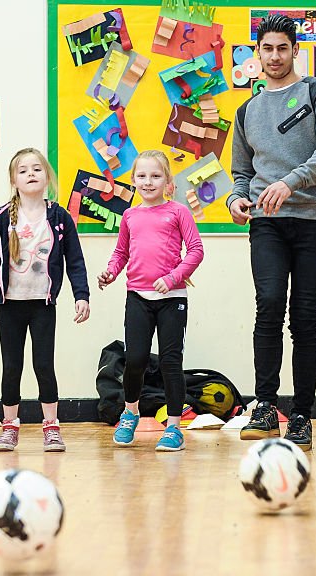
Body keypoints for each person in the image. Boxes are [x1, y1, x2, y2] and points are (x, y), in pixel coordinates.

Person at [227, 13, 316, 451]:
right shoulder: (246, 111)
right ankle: (264, 405)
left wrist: (289, 182)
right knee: (269, 305)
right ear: (256, 54)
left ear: (295, 50)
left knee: (305, 319)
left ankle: (301, 415)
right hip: (267, 224)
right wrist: (237, 200)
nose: (274, 56)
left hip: (314, 221)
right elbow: (241, 172)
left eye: (282, 48)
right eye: (267, 49)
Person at [0, 147, 90, 452]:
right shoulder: (2, 218)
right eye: (24, 170)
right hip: (10, 305)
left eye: (37, 169)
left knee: (44, 365)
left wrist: (81, 295)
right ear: (14, 179)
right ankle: (9, 426)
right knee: (11, 366)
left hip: (42, 305)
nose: (31, 174)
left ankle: (51, 427)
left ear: (47, 177)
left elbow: (75, 261)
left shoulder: (59, 217)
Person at [98, 150, 204, 451]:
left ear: (168, 182)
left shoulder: (179, 211)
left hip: (172, 299)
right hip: (138, 297)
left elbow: (196, 251)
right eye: (142, 176)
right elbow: (121, 253)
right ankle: (129, 413)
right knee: (135, 360)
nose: (148, 182)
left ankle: (173, 427)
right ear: (133, 180)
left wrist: (171, 278)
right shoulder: (130, 216)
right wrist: (110, 273)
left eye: (156, 176)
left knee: (171, 362)